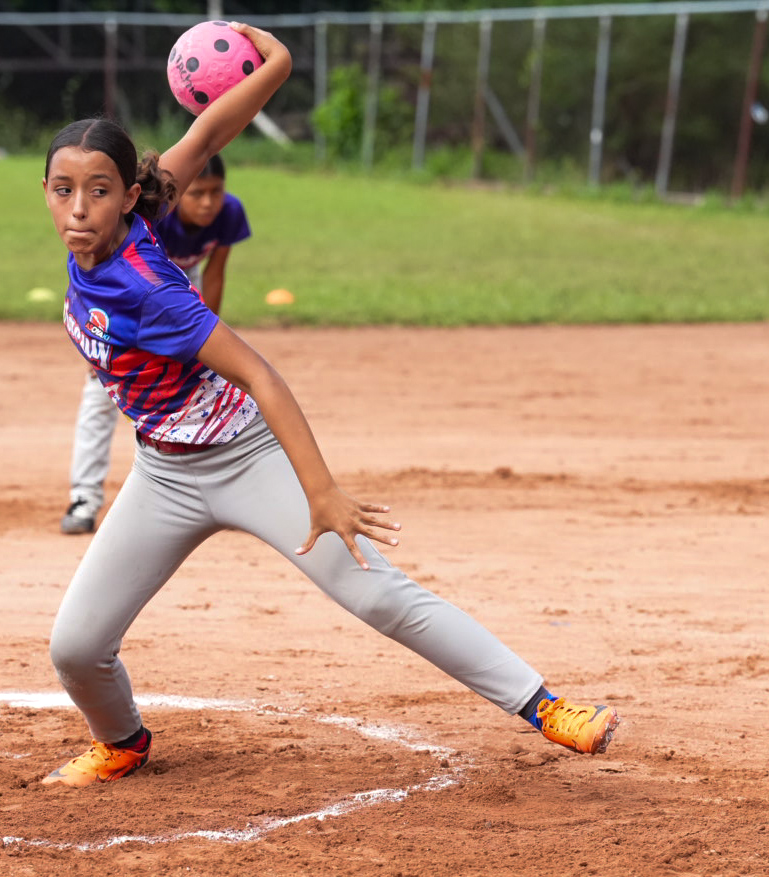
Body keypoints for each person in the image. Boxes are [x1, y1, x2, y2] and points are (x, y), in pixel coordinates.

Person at [39, 22, 618, 788]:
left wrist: (322, 493)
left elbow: (262, 376)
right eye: (62, 189)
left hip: (243, 456)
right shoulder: (120, 225)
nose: (79, 207)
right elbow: (210, 127)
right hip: (164, 472)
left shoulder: (149, 289)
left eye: (99, 190)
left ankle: (546, 706)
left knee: (375, 594)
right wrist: (276, 64)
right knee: (76, 646)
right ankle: (122, 741)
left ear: (131, 197)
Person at [60, 154, 250, 535]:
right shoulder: (158, 218)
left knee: (205, 387)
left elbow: (214, 276)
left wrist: (202, 343)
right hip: (126, 287)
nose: (208, 203)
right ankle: (84, 497)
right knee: (99, 395)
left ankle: (228, 493)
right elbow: (109, 269)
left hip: (178, 286)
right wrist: (103, 343)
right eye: (197, 193)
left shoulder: (229, 213)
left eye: (216, 193)